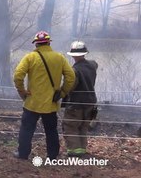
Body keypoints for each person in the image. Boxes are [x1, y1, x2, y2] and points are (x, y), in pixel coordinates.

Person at [13, 31, 75, 160]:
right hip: (50, 104)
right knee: (51, 131)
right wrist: (62, 92)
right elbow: (71, 77)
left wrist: (22, 92)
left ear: (36, 44)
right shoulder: (59, 57)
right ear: (48, 42)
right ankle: (52, 156)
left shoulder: (30, 57)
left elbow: (18, 75)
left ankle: (23, 154)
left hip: (32, 103)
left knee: (26, 130)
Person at [62, 41, 98, 157]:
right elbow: (95, 63)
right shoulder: (91, 67)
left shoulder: (74, 71)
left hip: (76, 104)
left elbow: (70, 87)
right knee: (83, 126)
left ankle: (74, 152)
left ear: (72, 55)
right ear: (84, 53)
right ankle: (82, 150)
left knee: (71, 126)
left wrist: (61, 93)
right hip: (90, 103)